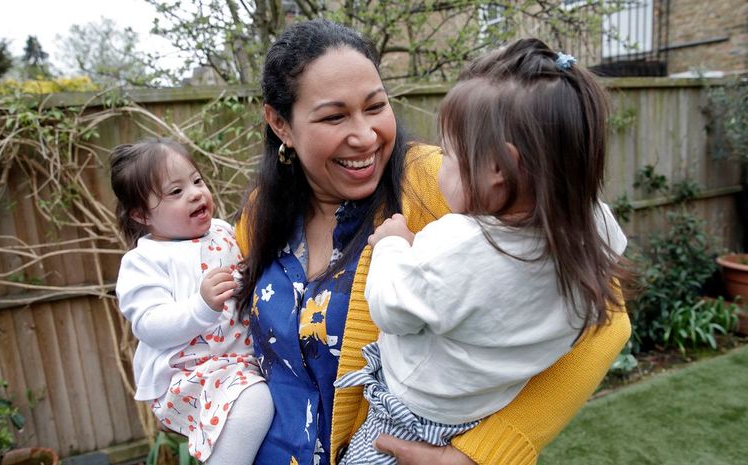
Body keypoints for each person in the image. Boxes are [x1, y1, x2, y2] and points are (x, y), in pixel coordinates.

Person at [235, 19, 631, 465]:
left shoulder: (451, 183)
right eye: (333, 116)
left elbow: (605, 321)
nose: (365, 135)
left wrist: (477, 454)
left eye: (375, 106)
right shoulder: (261, 213)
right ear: (280, 124)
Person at [111, 138, 273, 465]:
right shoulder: (145, 260)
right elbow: (149, 325)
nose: (196, 193)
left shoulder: (224, 231)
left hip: (237, 361)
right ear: (141, 215)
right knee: (255, 402)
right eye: (176, 192)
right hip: (187, 371)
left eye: (197, 181)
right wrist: (200, 306)